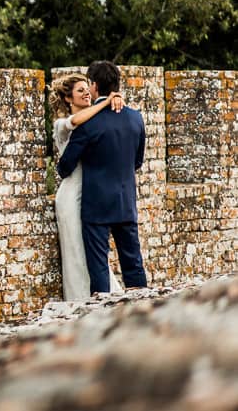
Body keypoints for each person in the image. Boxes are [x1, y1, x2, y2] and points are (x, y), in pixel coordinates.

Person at [57, 61, 149, 294]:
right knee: (133, 264)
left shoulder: (88, 125)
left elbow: (65, 166)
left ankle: (102, 318)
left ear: (94, 85)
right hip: (125, 200)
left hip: (95, 205)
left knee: (98, 269)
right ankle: (144, 311)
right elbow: (137, 162)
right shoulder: (136, 118)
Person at [50, 73, 124, 300]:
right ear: (67, 98)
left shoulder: (94, 120)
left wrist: (117, 100)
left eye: (86, 89)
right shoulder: (61, 125)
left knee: (94, 250)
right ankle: (79, 299)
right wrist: (105, 102)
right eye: (79, 90)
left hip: (92, 191)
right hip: (71, 195)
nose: (86, 94)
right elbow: (75, 122)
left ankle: (101, 294)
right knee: (76, 250)